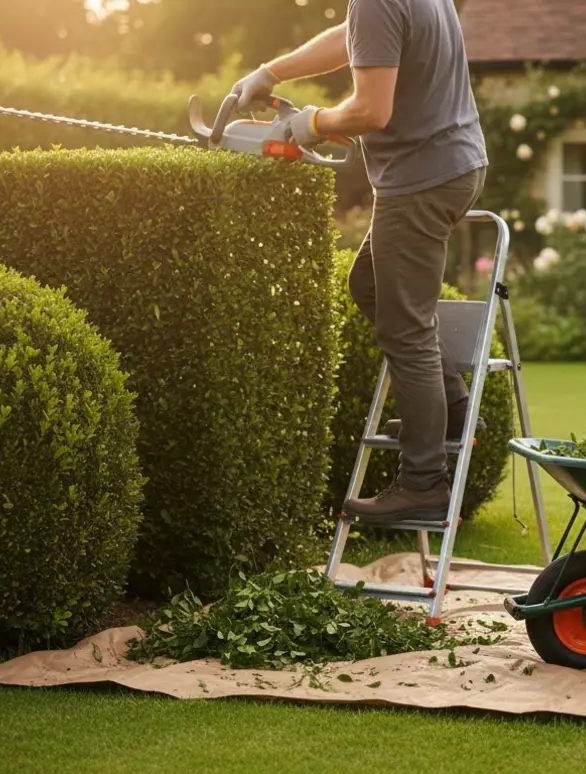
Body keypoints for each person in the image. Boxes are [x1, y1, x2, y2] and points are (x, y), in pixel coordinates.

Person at [232, 0, 486, 523]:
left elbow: (372, 112)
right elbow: (355, 37)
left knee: (405, 329)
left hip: (421, 179)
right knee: (368, 285)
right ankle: (451, 412)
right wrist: (271, 71)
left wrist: (312, 123)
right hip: (454, 163)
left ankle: (423, 481)